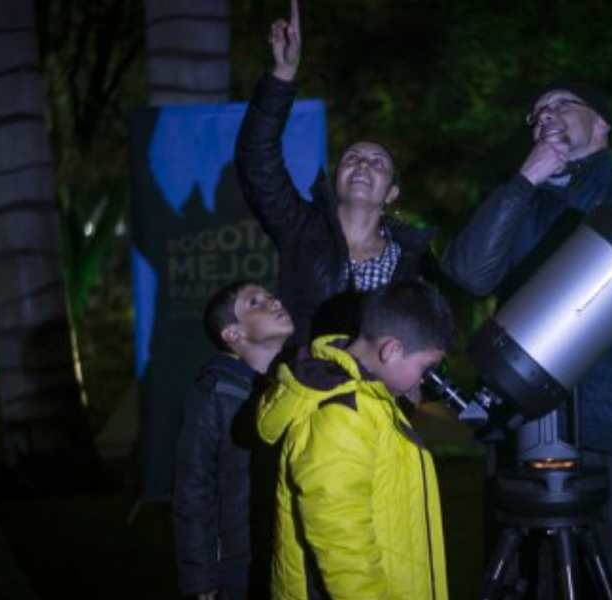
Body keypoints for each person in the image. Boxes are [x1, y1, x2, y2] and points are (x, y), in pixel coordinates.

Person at [439, 83, 612, 600]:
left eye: (563, 103)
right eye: (537, 111)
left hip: (611, 426)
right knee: (521, 581)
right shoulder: (514, 197)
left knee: (609, 578)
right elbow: (469, 274)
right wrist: (525, 179)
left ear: (603, 125)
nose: (546, 114)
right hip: (517, 421)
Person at [235, 0, 439, 345]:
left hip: (382, 398)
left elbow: (430, 337)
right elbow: (257, 159)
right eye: (352, 158)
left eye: (377, 162)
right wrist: (282, 76)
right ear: (336, 178)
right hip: (310, 389)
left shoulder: (414, 258)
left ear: (391, 192)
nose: (363, 164)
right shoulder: (301, 227)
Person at [256, 279, 455, 599]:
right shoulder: (342, 413)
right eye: (425, 367)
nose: (424, 379)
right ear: (391, 350)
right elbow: (341, 541)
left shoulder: (370, 396)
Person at [172, 280, 295, 600]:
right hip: (242, 564)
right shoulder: (212, 394)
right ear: (233, 334)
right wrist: (200, 577)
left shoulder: (301, 384)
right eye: (256, 302)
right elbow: (193, 487)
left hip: (296, 556)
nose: (275, 302)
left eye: (272, 296)